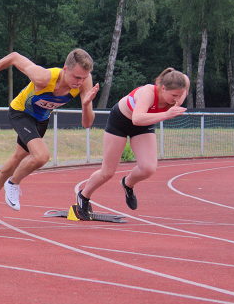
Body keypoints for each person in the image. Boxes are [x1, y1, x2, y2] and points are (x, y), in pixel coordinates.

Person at [0, 49, 99, 218]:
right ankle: (13, 183)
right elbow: (14, 57)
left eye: (83, 78)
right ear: (65, 69)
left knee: (17, 158)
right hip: (21, 113)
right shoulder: (43, 77)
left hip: (41, 119)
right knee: (41, 156)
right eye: (76, 77)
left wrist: (86, 105)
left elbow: (87, 123)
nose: (79, 82)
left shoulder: (85, 81)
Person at [75, 68, 189, 218]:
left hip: (143, 125)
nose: (177, 99)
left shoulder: (181, 87)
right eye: (174, 95)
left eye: (180, 95)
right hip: (121, 121)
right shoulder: (148, 93)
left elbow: (185, 80)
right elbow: (137, 118)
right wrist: (166, 114)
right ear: (163, 88)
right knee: (107, 172)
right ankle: (84, 195)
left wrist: (177, 94)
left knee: (148, 168)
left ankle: (128, 183)